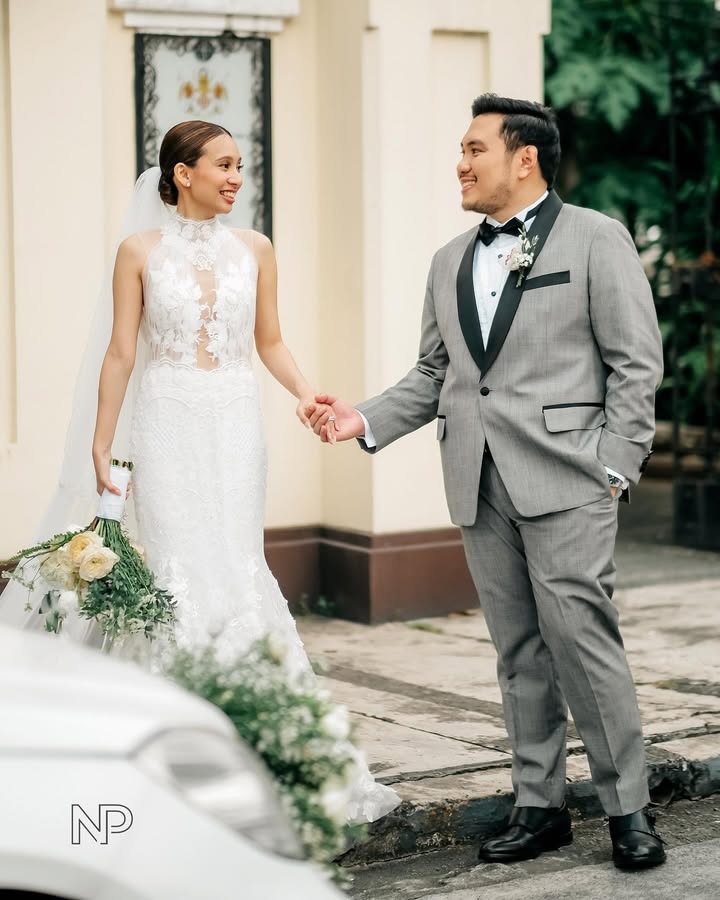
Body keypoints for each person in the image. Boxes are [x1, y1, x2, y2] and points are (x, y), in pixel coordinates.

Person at [2, 120, 399, 824]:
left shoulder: (256, 248)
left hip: (236, 424)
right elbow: (121, 352)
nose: (236, 178)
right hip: (166, 423)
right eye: (223, 165)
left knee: (240, 566)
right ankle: (170, 757)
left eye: (240, 165)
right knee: (178, 571)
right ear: (182, 173)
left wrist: (305, 394)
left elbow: (269, 339)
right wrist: (101, 442)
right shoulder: (138, 252)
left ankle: (267, 744)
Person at [309, 94, 666, 867]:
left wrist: (616, 463)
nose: (461, 165)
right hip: (475, 478)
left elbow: (636, 361)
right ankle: (539, 806)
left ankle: (628, 810)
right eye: (461, 151)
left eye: (475, 150)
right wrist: (361, 419)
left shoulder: (595, 238)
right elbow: (436, 373)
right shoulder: (449, 261)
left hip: (569, 475)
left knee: (583, 643)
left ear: (524, 157)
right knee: (517, 651)